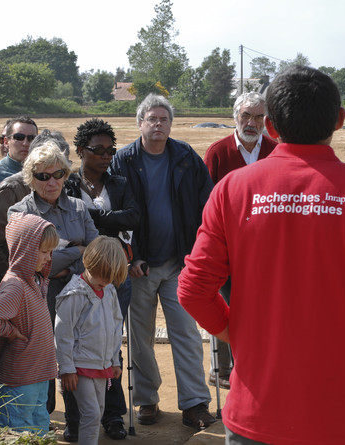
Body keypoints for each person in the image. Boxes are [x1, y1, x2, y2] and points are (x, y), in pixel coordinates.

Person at [178, 65, 345, 445]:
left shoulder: (232, 191)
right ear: (339, 120)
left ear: (271, 127)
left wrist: (238, 334)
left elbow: (192, 290)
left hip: (257, 411)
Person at [110, 94, 215, 430]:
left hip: (178, 263)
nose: (158, 125)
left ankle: (194, 403)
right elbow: (116, 212)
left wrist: (196, 254)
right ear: (140, 122)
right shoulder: (123, 161)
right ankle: (147, 400)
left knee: (185, 332)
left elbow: (206, 206)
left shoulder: (185, 156)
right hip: (139, 265)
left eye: (164, 119)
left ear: (171, 124)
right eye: (152, 119)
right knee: (139, 336)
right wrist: (132, 255)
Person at [9, 140, 99, 429]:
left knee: (76, 353)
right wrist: (77, 250)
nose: (51, 182)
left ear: (66, 174)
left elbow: (96, 253)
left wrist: (61, 260)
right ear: (30, 179)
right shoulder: (19, 212)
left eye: (58, 174)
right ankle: (42, 420)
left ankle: (76, 421)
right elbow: (29, 262)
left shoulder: (78, 207)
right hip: (37, 296)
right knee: (43, 356)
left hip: (76, 293)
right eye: (43, 176)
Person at [64, 118, 140, 441]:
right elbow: (67, 219)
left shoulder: (120, 183)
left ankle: (113, 416)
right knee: (76, 344)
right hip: (78, 276)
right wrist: (110, 217)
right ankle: (76, 420)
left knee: (112, 344)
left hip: (116, 277)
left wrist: (91, 214)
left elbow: (134, 216)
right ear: (81, 151)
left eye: (111, 150)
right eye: (98, 150)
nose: (106, 156)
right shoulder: (67, 184)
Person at [202, 91, 277, 388]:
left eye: (259, 117)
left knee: (264, 310)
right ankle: (221, 371)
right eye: (246, 115)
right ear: (235, 117)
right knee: (224, 308)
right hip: (227, 249)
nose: (252, 122)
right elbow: (207, 203)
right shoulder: (218, 152)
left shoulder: (274, 150)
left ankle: (257, 366)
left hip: (266, 252)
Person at [0, 212, 59, 434]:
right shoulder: (16, 285)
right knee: (18, 432)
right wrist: (12, 332)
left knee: (38, 428)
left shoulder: (34, 280)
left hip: (38, 375)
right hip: (19, 380)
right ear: (25, 250)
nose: (48, 258)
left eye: (50, 252)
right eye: (43, 252)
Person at [55, 236, 128, 445]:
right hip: (80, 366)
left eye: (110, 277)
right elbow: (62, 333)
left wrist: (114, 360)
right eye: (101, 276)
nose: (104, 281)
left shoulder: (110, 291)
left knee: (99, 412)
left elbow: (115, 327)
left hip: (102, 364)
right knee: (92, 414)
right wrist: (67, 369)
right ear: (89, 264)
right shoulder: (74, 293)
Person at [0, 130, 70, 281]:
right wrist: (15, 281)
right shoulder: (11, 190)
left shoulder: (63, 188)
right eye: (46, 168)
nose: (55, 177)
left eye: (60, 171)